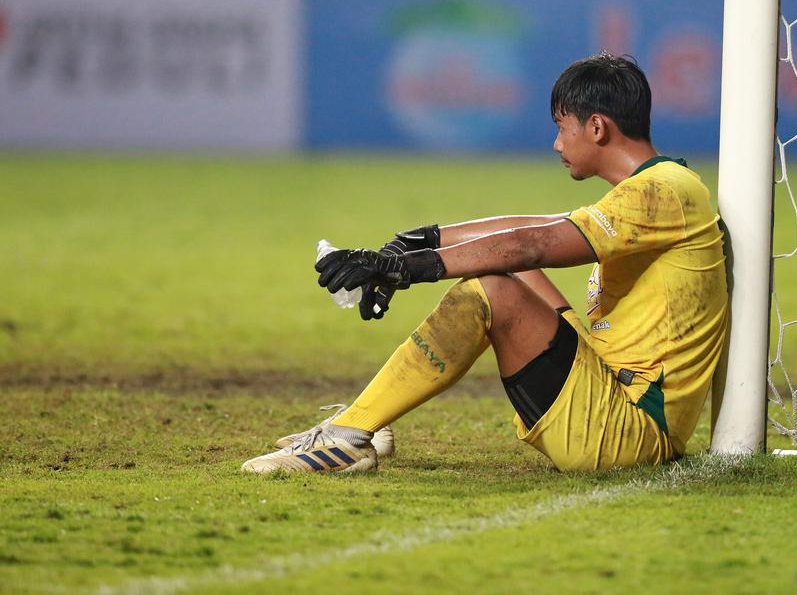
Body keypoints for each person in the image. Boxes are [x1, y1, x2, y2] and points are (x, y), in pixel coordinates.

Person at [242, 53, 729, 473]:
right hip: (610, 394)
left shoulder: (663, 191)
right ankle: (368, 417)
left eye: (562, 127)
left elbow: (534, 241)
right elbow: (532, 228)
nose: (557, 143)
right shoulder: (655, 191)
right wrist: (413, 243)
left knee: (492, 288)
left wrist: (408, 269)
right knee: (508, 269)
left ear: (597, 127)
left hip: (629, 430)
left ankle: (349, 436)